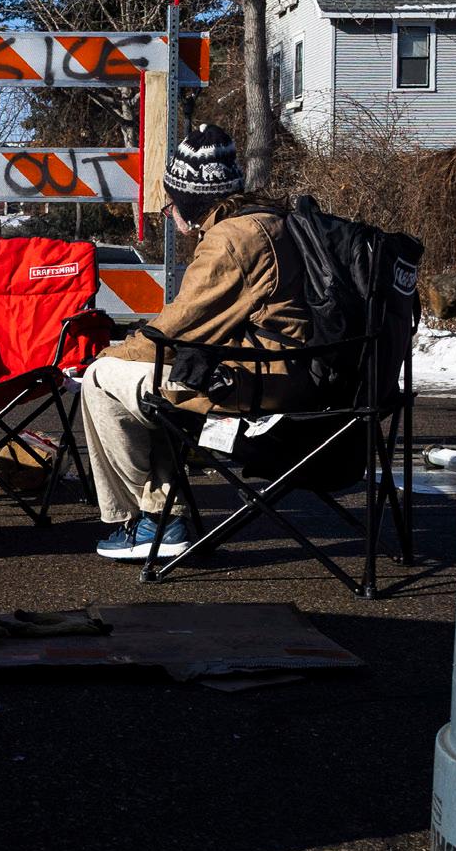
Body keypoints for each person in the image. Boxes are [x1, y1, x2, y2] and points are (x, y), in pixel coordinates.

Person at [81, 123, 312, 560]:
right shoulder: (273, 222)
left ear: (190, 201)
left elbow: (176, 329)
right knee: (162, 384)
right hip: (291, 372)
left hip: (259, 386)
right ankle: (161, 517)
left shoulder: (232, 239)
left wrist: (111, 353)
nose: (169, 212)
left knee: (101, 380)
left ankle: (147, 518)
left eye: (171, 203)